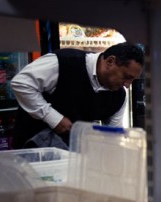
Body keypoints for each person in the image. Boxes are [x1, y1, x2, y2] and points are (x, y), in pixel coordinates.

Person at [10, 42, 144, 149]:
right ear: (110, 61)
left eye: (132, 80)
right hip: (30, 151)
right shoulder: (64, 62)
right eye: (126, 77)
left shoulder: (119, 97)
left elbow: (112, 135)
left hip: (72, 161)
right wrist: (52, 117)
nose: (128, 85)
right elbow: (21, 83)